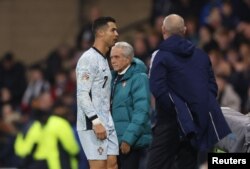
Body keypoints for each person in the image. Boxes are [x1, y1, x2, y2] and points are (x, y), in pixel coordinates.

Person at [147, 14, 231, 169]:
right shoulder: (201, 55)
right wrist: (196, 108)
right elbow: (212, 88)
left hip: (169, 122)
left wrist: (179, 110)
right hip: (195, 121)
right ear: (184, 30)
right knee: (188, 165)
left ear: (163, 30)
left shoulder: (159, 56)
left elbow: (157, 88)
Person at [76, 16, 119, 169]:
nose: (116, 34)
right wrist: (95, 121)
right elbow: (82, 93)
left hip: (107, 120)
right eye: (112, 30)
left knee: (112, 164)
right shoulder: (88, 59)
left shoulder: (103, 59)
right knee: (99, 167)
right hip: (93, 123)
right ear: (100, 33)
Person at [110, 42, 152, 169]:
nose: (113, 61)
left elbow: (141, 111)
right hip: (115, 142)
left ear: (128, 59)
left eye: (117, 57)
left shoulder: (139, 78)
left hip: (130, 142)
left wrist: (128, 139)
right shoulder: (113, 78)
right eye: (111, 57)